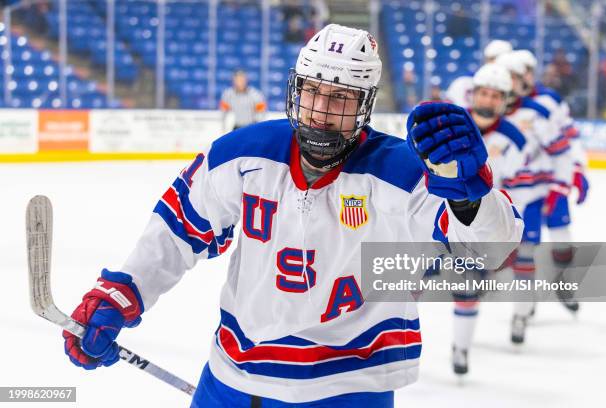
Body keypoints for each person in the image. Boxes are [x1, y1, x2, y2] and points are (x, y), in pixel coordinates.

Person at [62, 24, 522, 407]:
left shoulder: (402, 173)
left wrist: (469, 199)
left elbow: (488, 250)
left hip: (348, 387)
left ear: (365, 103)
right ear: (294, 89)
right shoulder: (243, 155)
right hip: (231, 379)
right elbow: (177, 229)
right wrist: (119, 296)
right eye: (311, 92)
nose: (320, 112)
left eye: (340, 98)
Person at [451, 63, 528, 375]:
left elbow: (514, 189)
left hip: (489, 221)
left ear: (505, 100)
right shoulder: (453, 124)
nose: (489, 100)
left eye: (496, 95)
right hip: (446, 214)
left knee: (472, 285)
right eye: (484, 92)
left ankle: (461, 348)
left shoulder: (515, 138)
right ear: (474, 94)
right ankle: (460, 347)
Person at [496, 51, 574, 344]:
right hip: (497, 197)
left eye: (515, 77)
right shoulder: (486, 113)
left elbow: (562, 151)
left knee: (525, 256)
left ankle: (520, 313)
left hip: (529, 196)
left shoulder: (537, 113)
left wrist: (559, 187)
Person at [516, 49, 588, 313]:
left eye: (525, 71)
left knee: (561, 235)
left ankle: (564, 282)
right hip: (523, 186)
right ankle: (527, 297)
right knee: (526, 244)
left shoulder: (549, 100)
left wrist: (577, 169)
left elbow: (570, 136)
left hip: (551, 180)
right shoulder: (505, 105)